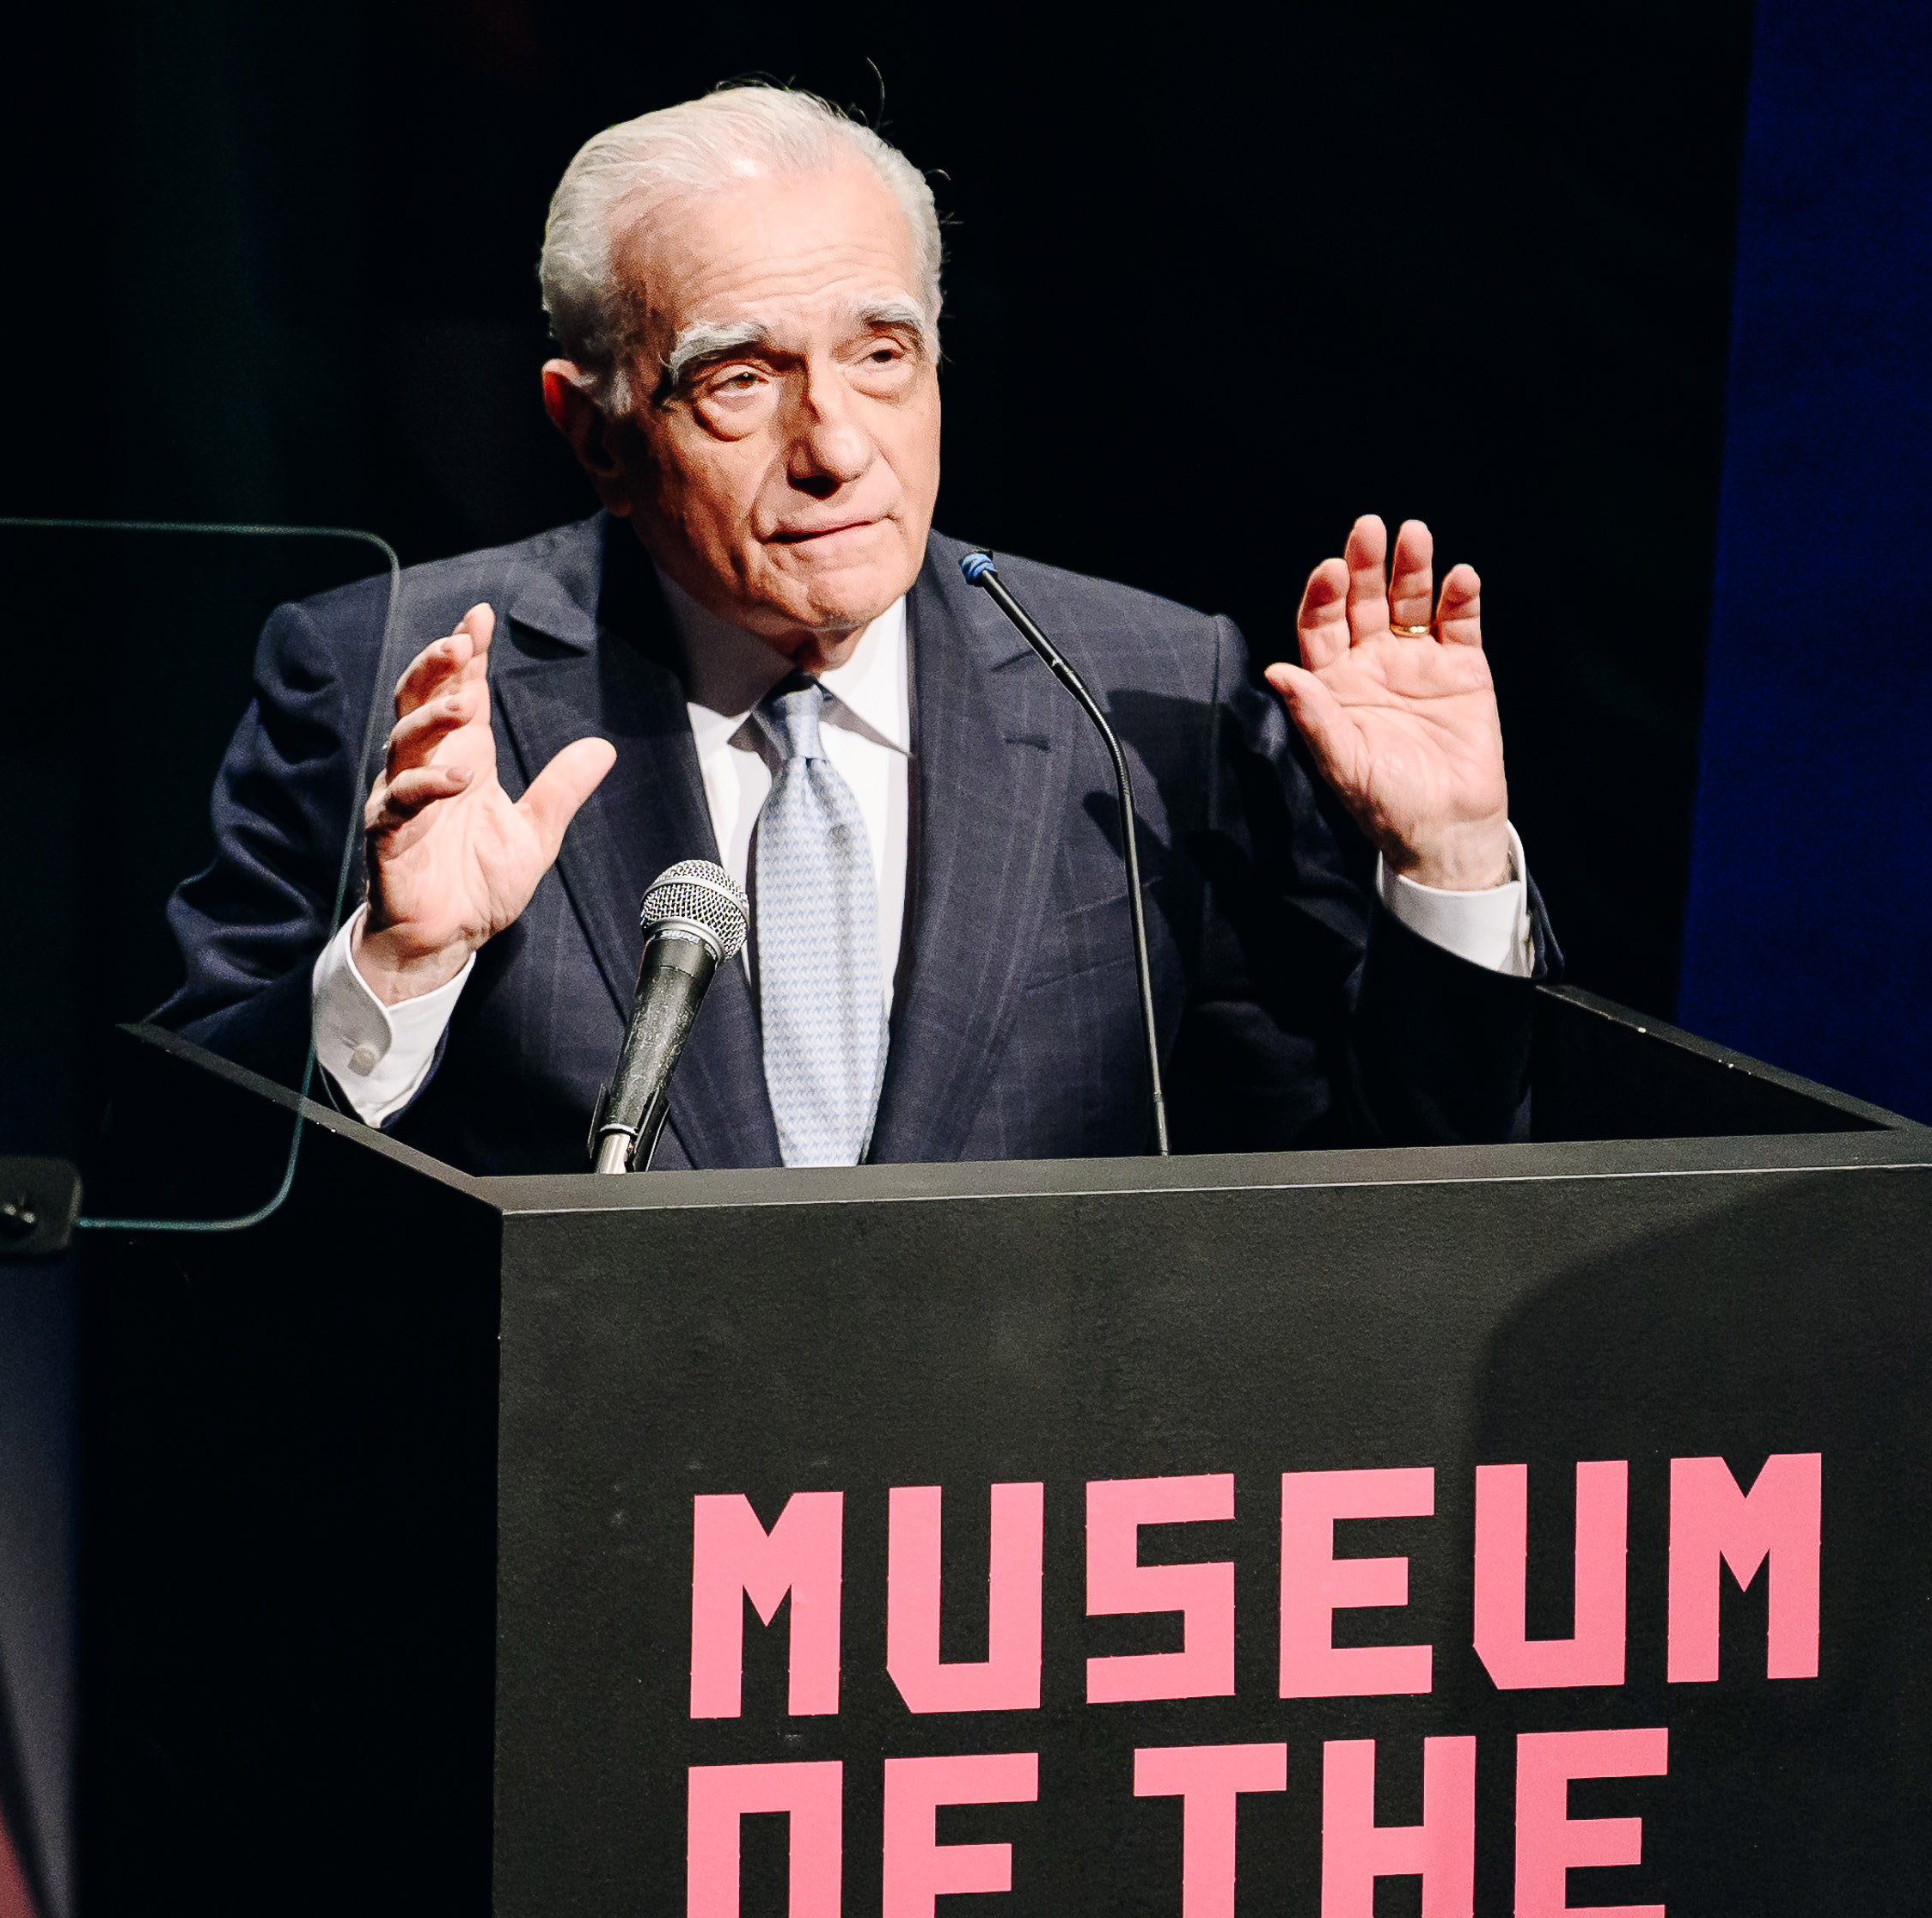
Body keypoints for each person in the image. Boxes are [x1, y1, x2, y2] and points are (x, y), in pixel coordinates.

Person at [161, 85, 1550, 1172]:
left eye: (881, 356)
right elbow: (185, 1181)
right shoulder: (380, 680)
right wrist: (400, 969)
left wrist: (1450, 865)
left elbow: (1385, 1191)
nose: (836, 446)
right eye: (741, 378)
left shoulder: (1140, 693)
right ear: (592, 433)